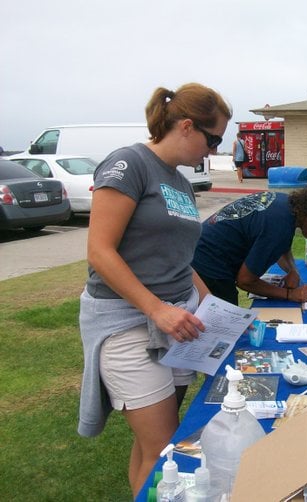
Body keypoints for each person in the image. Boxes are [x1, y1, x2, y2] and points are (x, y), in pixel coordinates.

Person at [78, 83, 231, 498]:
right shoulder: (129, 164)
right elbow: (100, 251)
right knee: (164, 450)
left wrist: (214, 309)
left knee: (154, 442)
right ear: (185, 126)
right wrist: (157, 309)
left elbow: (181, 262)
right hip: (128, 322)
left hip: (176, 320)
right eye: (213, 138)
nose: (213, 150)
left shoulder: (179, 183)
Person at [191, 185, 307, 305]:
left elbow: (282, 247)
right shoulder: (279, 225)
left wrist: (292, 271)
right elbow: (245, 281)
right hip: (208, 267)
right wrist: (290, 295)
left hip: (198, 251)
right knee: (223, 327)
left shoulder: (285, 205)